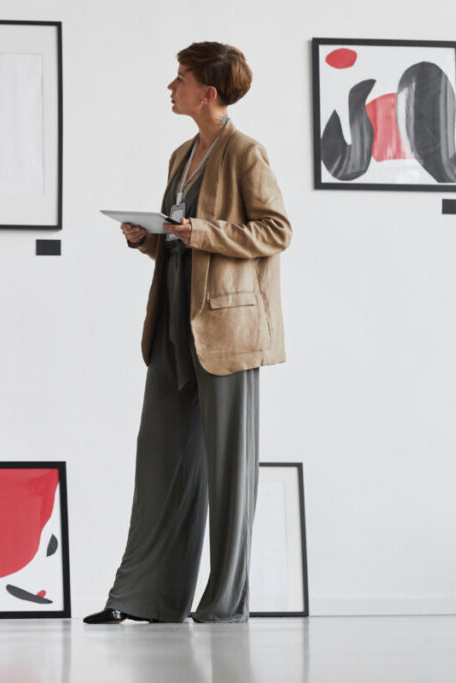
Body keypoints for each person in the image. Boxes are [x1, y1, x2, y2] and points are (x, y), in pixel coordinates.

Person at [84, 42, 291, 624]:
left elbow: (276, 231)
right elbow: (180, 241)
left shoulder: (247, 153)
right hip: (174, 325)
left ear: (208, 92)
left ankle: (223, 602)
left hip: (227, 332)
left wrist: (203, 231)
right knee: (160, 464)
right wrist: (146, 238)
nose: (170, 87)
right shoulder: (181, 154)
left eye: (180, 79)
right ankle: (142, 599)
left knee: (227, 470)